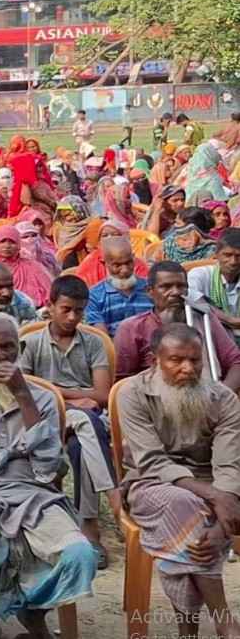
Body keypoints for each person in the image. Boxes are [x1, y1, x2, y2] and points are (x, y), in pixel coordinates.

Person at [0, 313, 98, 639]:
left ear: (20, 349)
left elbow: (48, 466)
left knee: (80, 555)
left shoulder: (43, 397)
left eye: (7, 347)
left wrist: (23, 395)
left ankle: (33, 609)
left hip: (35, 495)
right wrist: (17, 450)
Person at [116, 323, 240, 636]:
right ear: (155, 359)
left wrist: (221, 521)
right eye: (176, 360)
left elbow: (229, 465)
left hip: (212, 486)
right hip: (149, 482)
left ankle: (189, 632)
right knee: (184, 504)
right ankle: (224, 620)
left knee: (189, 510)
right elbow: (152, 461)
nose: (188, 368)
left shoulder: (223, 399)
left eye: (195, 360)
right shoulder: (133, 393)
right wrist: (216, 501)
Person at [18, 276, 119, 564]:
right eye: (66, 309)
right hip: (46, 417)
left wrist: (53, 390)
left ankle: (87, 526)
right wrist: (70, 398)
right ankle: (112, 497)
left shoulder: (94, 342)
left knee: (80, 445)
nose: (73, 317)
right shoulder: (30, 343)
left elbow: (102, 395)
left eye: (79, 311)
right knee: (85, 418)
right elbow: (25, 391)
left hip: (88, 420)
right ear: (50, 306)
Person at [115, 261, 240, 390]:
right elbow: (123, 381)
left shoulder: (204, 318)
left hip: (209, 394)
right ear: (150, 291)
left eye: (181, 286)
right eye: (166, 287)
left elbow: (235, 361)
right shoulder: (132, 328)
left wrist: (223, 393)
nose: (175, 292)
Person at [84, 236, 152, 337]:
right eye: (117, 265)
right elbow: (102, 338)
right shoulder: (95, 296)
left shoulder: (150, 289)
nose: (124, 270)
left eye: (128, 263)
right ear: (104, 263)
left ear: (134, 258)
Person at [188, 227, 240, 344]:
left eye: (238, 256)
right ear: (216, 254)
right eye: (227, 255)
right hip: (211, 340)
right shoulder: (200, 274)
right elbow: (192, 299)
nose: (233, 261)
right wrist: (230, 320)